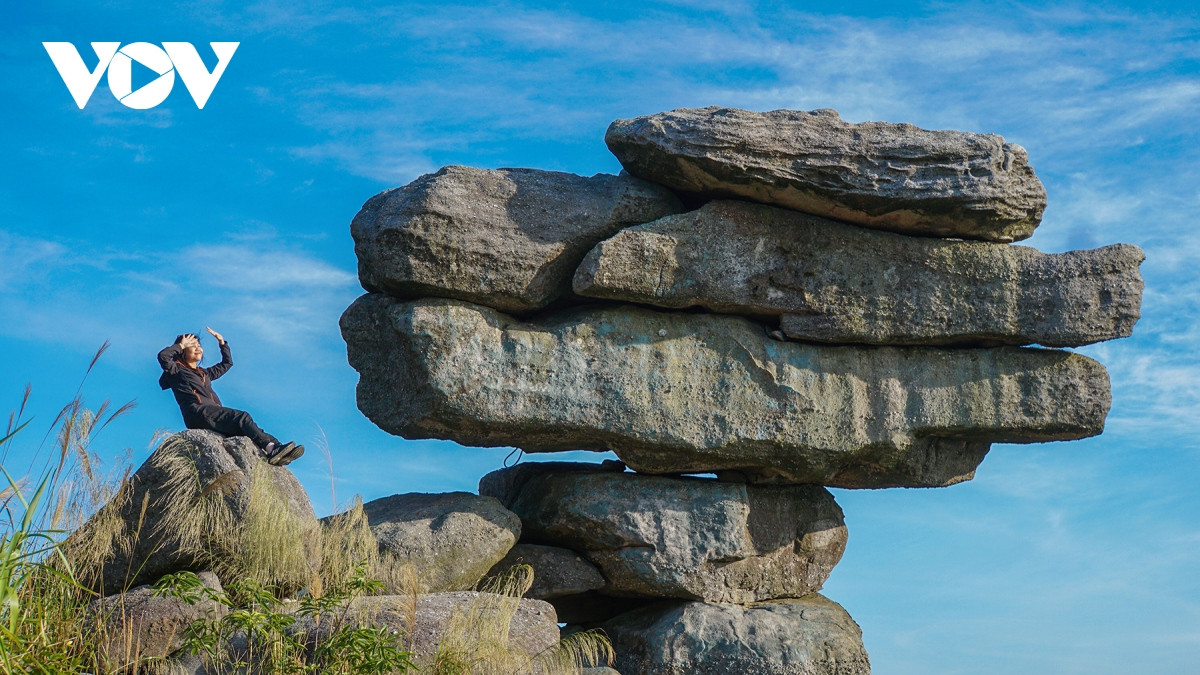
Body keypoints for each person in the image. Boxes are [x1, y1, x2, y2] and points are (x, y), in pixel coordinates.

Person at [158, 326, 304, 466]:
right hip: (198, 413)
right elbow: (163, 356)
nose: (198, 348)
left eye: (198, 345)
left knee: (248, 428)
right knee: (242, 417)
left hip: (211, 413)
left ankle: (278, 449)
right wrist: (180, 345)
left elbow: (227, 363)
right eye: (192, 345)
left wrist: (222, 343)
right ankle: (272, 448)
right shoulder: (176, 371)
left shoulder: (205, 373)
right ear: (182, 350)